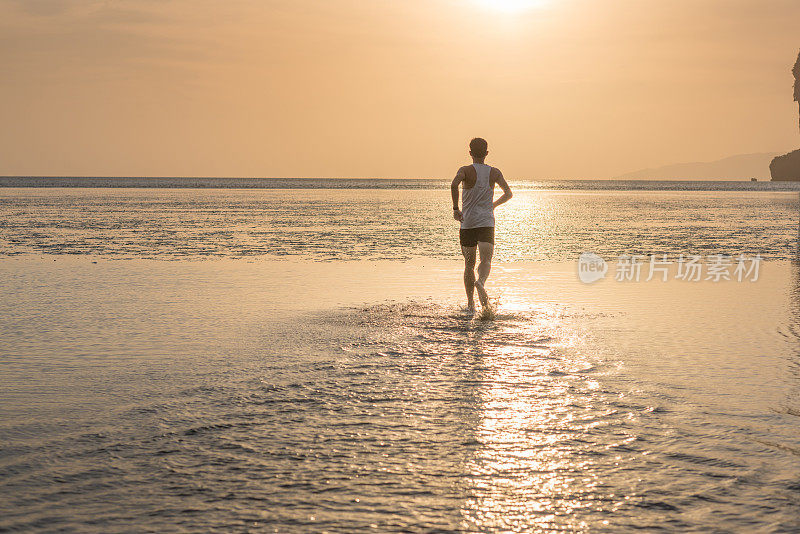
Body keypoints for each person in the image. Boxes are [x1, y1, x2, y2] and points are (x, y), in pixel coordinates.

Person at [451, 138, 513, 310]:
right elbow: (508, 194)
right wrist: (493, 205)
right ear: (486, 153)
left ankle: (471, 304)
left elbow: (454, 184)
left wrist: (456, 209)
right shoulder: (494, 172)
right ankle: (481, 282)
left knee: (469, 264)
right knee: (486, 261)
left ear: (470, 153)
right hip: (486, 223)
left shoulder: (464, 171)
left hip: (467, 223)